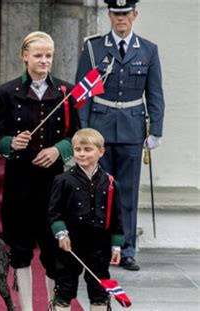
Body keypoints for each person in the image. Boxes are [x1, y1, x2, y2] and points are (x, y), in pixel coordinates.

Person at [0, 31, 80, 310]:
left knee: (54, 249)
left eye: (49, 56)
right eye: (39, 55)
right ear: (24, 56)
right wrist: (11, 143)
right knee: (20, 248)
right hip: (19, 181)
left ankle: (54, 305)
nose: (44, 61)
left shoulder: (66, 92)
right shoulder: (5, 92)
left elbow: (76, 134)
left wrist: (59, 150)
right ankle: (26, 307)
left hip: (54, 183)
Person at [75, 0, 165, 271]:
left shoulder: (148, 50)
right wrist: (83, 132)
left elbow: (155, 93)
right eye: (116, 13)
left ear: (134, 15)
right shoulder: (94, 48)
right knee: (96, 191)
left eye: (126, 14)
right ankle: (98, 247)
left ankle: (125, 249)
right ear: (110, 15)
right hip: (99, 131)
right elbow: (82, 94)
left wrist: (156, 130)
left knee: (127, 193)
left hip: (132, 130)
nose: (121, 18)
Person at [47, 128, 124, 311]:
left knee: (99, 289)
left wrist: (116, 246)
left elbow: (117, 218)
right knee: (65, 287)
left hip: (100, 245)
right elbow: (54, 212)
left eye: (88, 149)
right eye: (78, 149)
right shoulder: (62, 180)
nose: (82, 154)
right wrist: (61, 234)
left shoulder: (112, 183)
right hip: (71, 244)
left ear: (101, 151)